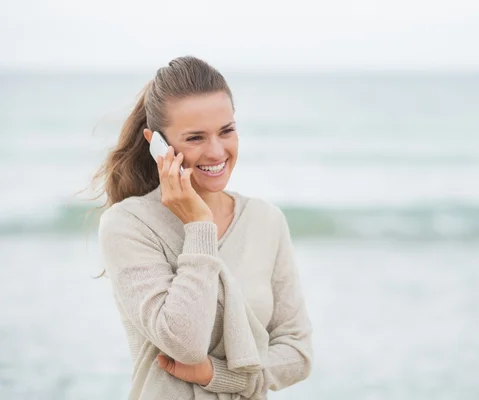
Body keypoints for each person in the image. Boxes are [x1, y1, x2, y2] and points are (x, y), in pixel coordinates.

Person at [92, 56, 313, 399]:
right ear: (157, 143)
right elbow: (185, 343)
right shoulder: (128, 225)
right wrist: (198, 226)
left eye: (226, 131)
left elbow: (297, 354)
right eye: (195, 137)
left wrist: (219, 376)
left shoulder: (266, 220)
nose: (216, 151)